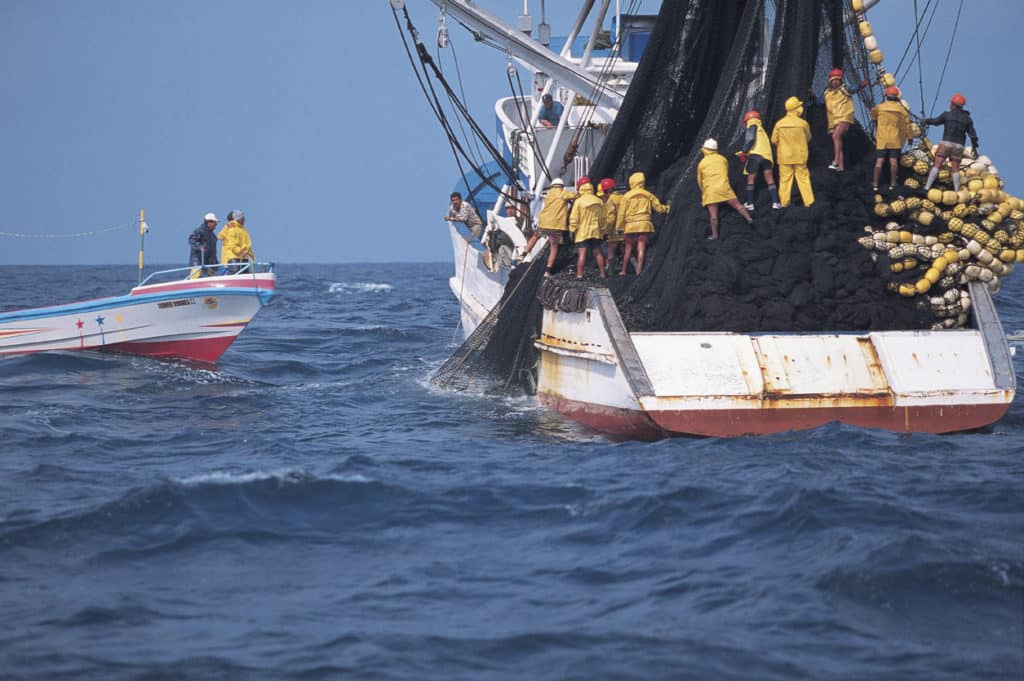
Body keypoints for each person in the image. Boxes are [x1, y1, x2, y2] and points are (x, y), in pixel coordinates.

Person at [922, 93, 980, 192]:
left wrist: (925, 121)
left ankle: (927, 187)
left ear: (953, 104)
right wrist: (974, 147)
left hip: (946, 143)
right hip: (959, 146)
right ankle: (957, 191)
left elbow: (935, 122)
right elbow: (973, 136)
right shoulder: (967, 119)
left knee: (937, 164)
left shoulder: (947, 115)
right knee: (955, 169)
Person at [615, 171, 670, 276]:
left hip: (630, 226)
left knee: (628, 249)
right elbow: (658, 208)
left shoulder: (626, 197)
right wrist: (667, 208)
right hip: (644, 225)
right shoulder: (648, 195)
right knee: (641, 248)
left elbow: (621, 214)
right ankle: (639, 271)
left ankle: (623, 270)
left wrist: (619, 228)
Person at [697, 138, 753, 240]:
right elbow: (725, 172)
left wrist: (704, 192)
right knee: (738, 205)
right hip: (724, 187)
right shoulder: (722, 159)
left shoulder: (702, 163)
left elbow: (700, 180)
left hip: (711, 191)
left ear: (705, 149)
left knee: (713, 216)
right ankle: (749, 218)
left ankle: (715, 235)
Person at [523, 177, 575, 276]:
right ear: (562, 186)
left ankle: (524, 253)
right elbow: (574, 195)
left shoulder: (548, 195)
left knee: (535, 237)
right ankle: (548, 270)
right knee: (554, 247)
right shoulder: (563, 194)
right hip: (555, 226)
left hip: (543, 224)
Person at [771, 96, 815, 207]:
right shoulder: (803, 124)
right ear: (796, 108)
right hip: (800, 156)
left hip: (785, 157)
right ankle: (809, 202)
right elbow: (809, 138)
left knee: (785, 181)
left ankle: (785, 203)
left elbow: (773, 140)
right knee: (803, 179)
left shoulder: (779, 124)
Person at [823, 68, 868, 171]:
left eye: (837, 80)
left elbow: (854, 88)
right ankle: (841, 167)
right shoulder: (827, 93)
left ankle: (835, 162)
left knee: (836, 136)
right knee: (837, 142)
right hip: (833, 121)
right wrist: (812, 95)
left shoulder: (844, 89)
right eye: (833, 80)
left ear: (840, 80)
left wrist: (862, 85)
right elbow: (819, 101)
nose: (835, 82)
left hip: (844, 117)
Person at [737, 110, 781, 210]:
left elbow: (750, 139)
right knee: (770, 180)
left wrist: (743, 151)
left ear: (747, 120)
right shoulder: (762, 130)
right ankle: (776, 203)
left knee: (750, 180)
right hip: (767, 157)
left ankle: (750, 203)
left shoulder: (752, 126)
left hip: (755, 156)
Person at [870, 85, 911, 191]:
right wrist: (910, 138)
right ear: (897, 97)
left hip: (882, 138)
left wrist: (877, 124)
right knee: (893, 161)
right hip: (895, 139)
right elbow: (907, 126)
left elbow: (873, 115)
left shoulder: (880, 107)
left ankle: (875, 184)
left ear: (886, 97)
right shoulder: (902, 110)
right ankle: (893, 183)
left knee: (880, 160)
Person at [568, 178, 607, 279]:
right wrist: (602, 230)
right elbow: (603, 218)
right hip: (595, 231)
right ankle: (602, 274)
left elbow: (574, 218)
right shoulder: (599, 201)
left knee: (582, 254)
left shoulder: (579, 202)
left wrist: (572, 230)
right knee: (598, 253)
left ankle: (579, 275)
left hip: (582, 232)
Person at [597, 178, 623, 271]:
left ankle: (610, 269)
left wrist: (606, 231)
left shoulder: (610, 201)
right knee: (626, 248)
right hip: (626, 228)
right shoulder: (622, 197)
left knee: (611, 248)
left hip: (615, 230)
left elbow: (611, 219)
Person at [188, 212, 219, 278]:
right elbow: (191, 239)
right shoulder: (199, 230)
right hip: (197, 262)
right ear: (209, 222)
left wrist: (216, 263)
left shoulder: (213, 237)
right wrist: (199, 247)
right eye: (215, 222)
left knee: (212, 278)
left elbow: (213, 252)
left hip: (209, 263)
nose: (216, 224)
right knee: (195, 276)